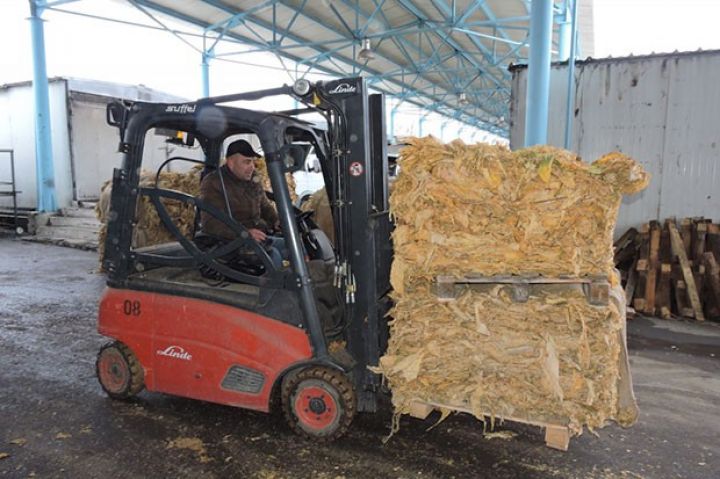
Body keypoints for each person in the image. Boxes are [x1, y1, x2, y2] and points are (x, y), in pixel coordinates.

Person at [199, 139, 287, 269]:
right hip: (231, 242)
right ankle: (275, 288)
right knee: (273, 256)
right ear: (231, 163)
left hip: (258, 238)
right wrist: (244, 233)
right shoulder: (214, 183)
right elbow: (210, 224)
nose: (252, 167)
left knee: (294, 246)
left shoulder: (253, 179)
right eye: (247, 162)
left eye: (253, 162)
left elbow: (264, 206)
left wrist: (276, 220)